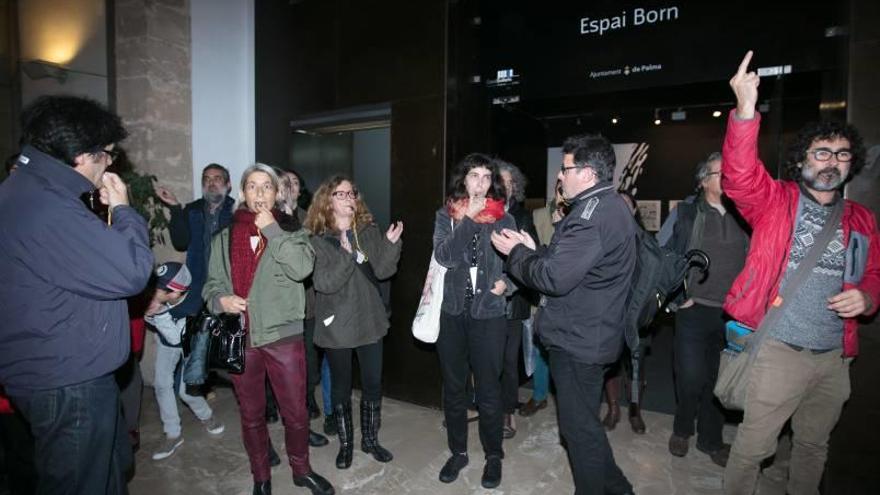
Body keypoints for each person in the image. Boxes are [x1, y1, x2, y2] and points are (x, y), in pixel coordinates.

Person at [721, 51, 880, 495]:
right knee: (753, 448)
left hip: (833, 357)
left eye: (842, 154)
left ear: (853, 163)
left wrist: (868, 298)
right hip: (778, 351)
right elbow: (738, 176)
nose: (832, 161)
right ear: (802, 159)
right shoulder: (776, 201)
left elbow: (874, 274)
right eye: (822, 151)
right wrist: (746, 110)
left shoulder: (862, 219)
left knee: (813, 447)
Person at [0, 95, 154, 494]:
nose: (109, 163)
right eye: (107, 155)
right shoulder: (46, 206)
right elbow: (133, 272)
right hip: (68, 384)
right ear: (82, 156)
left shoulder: (25, 192)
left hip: (63, 372)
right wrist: (123, 210)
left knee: (109, 468)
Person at [492, 134, 636, 495]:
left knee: (578, 432)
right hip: (590, 334)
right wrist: (533, 249)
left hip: (579, 341)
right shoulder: (608, 206)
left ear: (586, 174)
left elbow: (554, 278)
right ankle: (619, 489)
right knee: (583, 426)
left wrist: (516, 255)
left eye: (565, 168)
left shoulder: (590, 216)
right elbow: (570, 267)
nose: (560, 176)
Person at [203, 164, 333, 495]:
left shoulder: (293, 231)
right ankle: (261, 476)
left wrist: (273, 230)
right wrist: (221, 300)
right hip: (242, 336)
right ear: (243, 192)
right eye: (252, 186)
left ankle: (301, 470)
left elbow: (303, 269)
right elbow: (211, 285)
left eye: (266, 187)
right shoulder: (223, 237)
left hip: (283, 335)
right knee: (251, 415)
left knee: (296, 412)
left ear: (276, 193)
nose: (259, 193)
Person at [305, 175, 403, 470]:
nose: (349, 198)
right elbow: (324, 283)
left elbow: (384, 271)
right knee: (341, 387)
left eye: (352, 193)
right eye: (341, 193)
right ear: (327, 200)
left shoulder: (368, 230)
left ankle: (370, 440)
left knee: (373, 383)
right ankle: (346, 445)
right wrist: (347, 257)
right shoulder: (317, 239)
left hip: (370, 320)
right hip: (337, 325)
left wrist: (390, 244)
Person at [659, 153, 749, 466]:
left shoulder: (746, 214)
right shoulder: (684, 213)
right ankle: (682, 428)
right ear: (703, 181)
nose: (728, 178)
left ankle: (711, 440)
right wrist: (674, 299)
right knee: (690, 376)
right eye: (720, 173)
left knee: (719, 379)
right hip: (693, 310)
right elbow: (662, 257)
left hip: (733, 314)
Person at [432, 153, 516, 489]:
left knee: (488, 390)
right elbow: (445, 256)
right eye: (473, 176)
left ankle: (493, 456)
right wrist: (467, 218)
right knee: (453, 388)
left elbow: (519, 263)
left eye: (485, 177)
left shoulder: (503, 217)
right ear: (462, 181)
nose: (480, 183)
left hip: (488, 314)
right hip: (452, 312)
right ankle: (458, 452)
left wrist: (506, 284)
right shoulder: (446, 214)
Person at [145, 262, 225, 461]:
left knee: (186, 392)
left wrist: (159, 313)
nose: (153, 290)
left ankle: (207, 417)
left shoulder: (192, 306)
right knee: (162, 385)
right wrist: (149, 314)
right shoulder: (159, 298)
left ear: (173, 294)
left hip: (189, 344)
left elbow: (176, 338)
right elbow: (162, 332)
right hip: (166, 343)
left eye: (159, 287)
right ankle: (173, 434)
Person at [155, 163, 236, 322]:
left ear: (228, 185)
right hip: (197, 290)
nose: (211, 182)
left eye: (217, 178)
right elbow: (180, 243)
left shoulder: (239, 212)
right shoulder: (192, 210)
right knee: (197, 345)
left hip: (229, 290)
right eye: (206, 179)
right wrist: (175, 208)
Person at [518, 180, 566, 418]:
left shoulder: (582, 217)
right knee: (538, 348)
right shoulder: (536, 215)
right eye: (561, 188)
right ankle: (539, 396)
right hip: (540, 294)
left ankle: (568, 401)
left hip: (569, 296)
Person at [496, 159, 535, 438]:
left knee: (509, 360)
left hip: (513, 301)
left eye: (510, 182)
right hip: (486, 300)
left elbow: (529, 260)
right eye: (501, 181)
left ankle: (507, 411)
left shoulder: (523, 217)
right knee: (488, 360)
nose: (505, 187)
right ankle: (488, 405)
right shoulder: (483, 214)